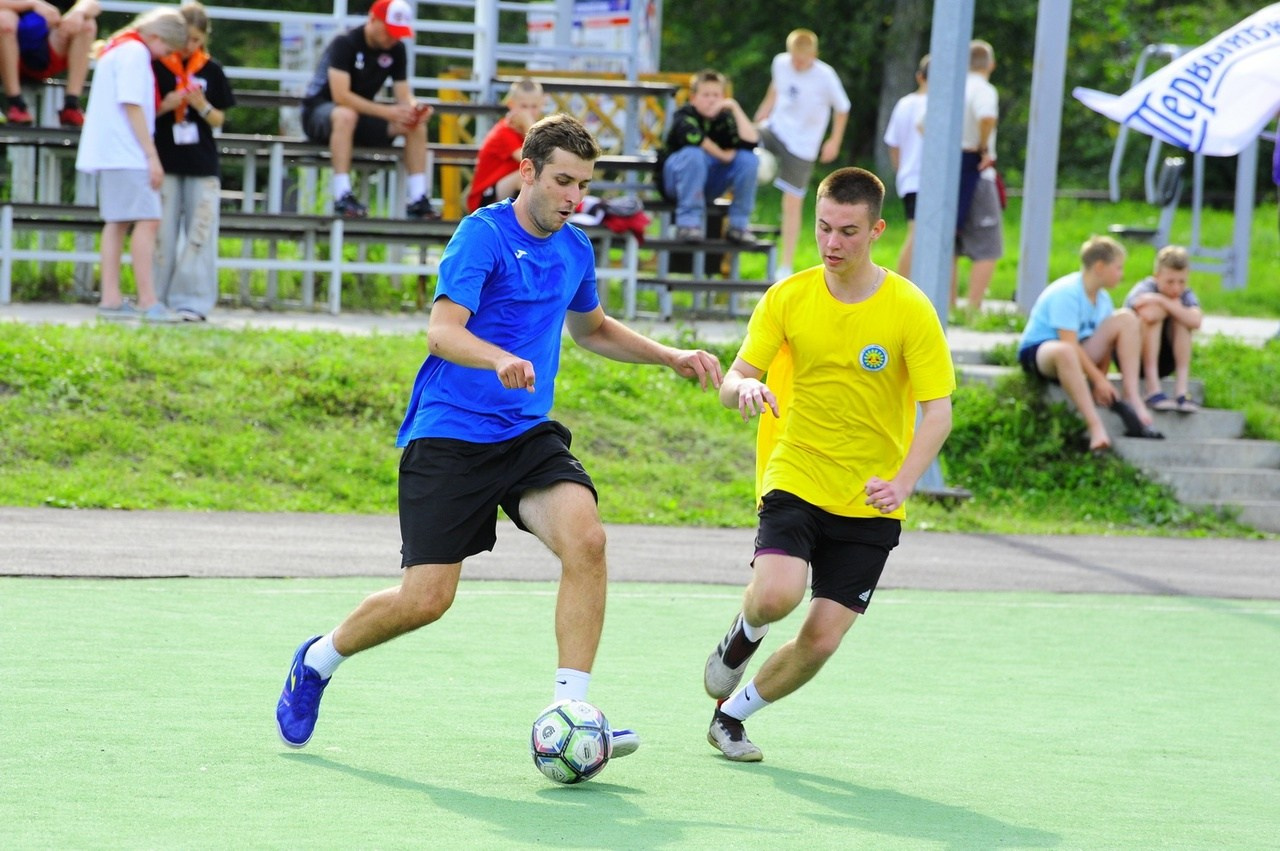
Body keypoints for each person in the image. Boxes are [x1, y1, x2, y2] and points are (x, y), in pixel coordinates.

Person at [275, 113, 724, 760]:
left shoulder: (574, 248)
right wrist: (497, 358)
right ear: (527, 171)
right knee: (426, 599)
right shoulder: (480, 235)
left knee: (588, 541)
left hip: (525, 435)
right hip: (451, 433)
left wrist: (669, 355)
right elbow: (442, 332)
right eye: (563, 182)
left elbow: (592, 328)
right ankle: (318, 658)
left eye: (583, 185)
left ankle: (571, 707)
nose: (574, 198)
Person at [701, 166, 954, 762]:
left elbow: (938, 413)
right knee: (776, 595)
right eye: (823, 228)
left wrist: (903, 483)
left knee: (820, 641)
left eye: (847, 231)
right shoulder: (788, 296)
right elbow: (734, 379)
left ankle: (731, 717)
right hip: (797, 469)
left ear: (876, 230)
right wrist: (744, 389)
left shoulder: (909, 309)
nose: (832, 243)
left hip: (870, 497)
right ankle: (744, 633)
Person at [74, 7, 187, 322]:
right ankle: (148, 301)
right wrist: (151, 155)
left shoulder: (119, 49)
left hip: (114, 151)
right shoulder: (135, 52)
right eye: (167, 49)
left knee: (118, 222)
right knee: (148, 219)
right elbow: (132, 104)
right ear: (156, 36)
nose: (165, 56)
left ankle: (111, 300)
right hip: (127, 151)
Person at [1017, 235, 1161, 452]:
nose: (1122, 274)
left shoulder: (1103, 300)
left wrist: (1101, 378)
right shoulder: (1067, 292)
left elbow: (1105, 346)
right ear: (1100, 267)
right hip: (1043, 352)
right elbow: (1069, 344)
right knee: (1066, 351)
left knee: (1127, 318)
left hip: (1077, 354)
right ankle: (1095, 427)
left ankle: (1132, 394)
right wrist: (1098, 381)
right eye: (1118, 268)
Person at [300, 0, 438, 221]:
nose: (393, 38)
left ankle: (418, 198)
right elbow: (341, 96)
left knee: (415, 124)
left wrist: (415, 108)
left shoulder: (397, 49)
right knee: (346, 115)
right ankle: (342, 194)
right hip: (319, 114)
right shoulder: (345, 43)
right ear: (373, 20)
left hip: (360, 117)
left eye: (398, 33)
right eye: (389, 31)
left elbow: (403, 96)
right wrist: (387, 112)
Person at [152, 1, 233, 323]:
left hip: (200, 161)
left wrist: (202, 106)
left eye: (197, 40)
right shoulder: (158, 65)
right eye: (185, 37)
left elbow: (219, 119)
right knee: (162, 233)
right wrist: (167, 104)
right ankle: (155, 298)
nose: (189, 45)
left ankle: (193, 302)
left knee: (199, 234)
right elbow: (143, 111)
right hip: (164, 159)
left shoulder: (212, 70)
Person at [753, 28, 850, 279]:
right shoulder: (780, 62)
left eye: (802, 61)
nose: (796, 65)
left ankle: (785, 265)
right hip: (775, 129)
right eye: (794, 59)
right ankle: (737, 222)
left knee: (792, 202)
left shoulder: (825, 76)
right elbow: (776, 87)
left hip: (803, 145)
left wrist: (834, 141)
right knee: (742, 141)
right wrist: (762, 112)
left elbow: (842, 108)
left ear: (814, 56)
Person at [657, 68, 759, 244]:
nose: (711, 100)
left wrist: (734, 107)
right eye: (706, 95)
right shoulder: (683, 115)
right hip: (675, 183)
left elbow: (751, 142)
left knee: (749, 159)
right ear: (693, 98)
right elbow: (695, 138)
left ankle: (739, 226)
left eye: (716, 95)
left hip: (709, 183)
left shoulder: (726, 118)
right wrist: (723, 155)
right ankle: (688, 225)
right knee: (694, 154)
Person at [954, 39, 1003, 311]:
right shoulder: (983, 89)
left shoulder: (952, 87)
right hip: (975, 165)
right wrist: (983, 147)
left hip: (949, 166)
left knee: (950, 239)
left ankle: (946, 304)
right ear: (991, 65)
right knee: (987, 242)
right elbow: (986, 117)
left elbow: (923, 124)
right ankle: (973, 308)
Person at [1123, 245, 1202, 413]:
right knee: (1155, 321)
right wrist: (1176, 308)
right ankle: (1152, 390)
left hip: (1165, 360)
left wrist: (1162, 301)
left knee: (1182, 321)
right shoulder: (1144, 288)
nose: (1176, 289)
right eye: (1170, 282)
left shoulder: (1184, 294)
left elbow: (1196, 320)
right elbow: (1149, 315)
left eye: (1182, 282)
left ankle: (1181, 391)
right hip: (1135, 360)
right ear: (1157, 276)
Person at [0, 0, 98, 126]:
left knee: (87, 24)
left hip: (44, 52)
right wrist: (34, 4)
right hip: (5, 52)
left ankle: (71, 105)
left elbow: (92, 4)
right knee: (4, 18)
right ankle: (15, 103)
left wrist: (78, 12)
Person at [465, 76, 543, 213]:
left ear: (541, 105)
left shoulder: (522, 131)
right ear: (511, 105)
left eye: (534, 106)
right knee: (529, 174)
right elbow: (535, 160)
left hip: (505, 191)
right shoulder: (504, 131)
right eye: (524, 106)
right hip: (485, 198)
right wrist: (529, 125)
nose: (529, 112)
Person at [882, 54, 928, 278]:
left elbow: (893, 144)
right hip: (925, 179)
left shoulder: (904, 104)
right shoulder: (940, 105)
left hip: (909, 178)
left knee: (917, 232)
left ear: (919, 77)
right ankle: (901, 283)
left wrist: (901, 171)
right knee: (917, 234)